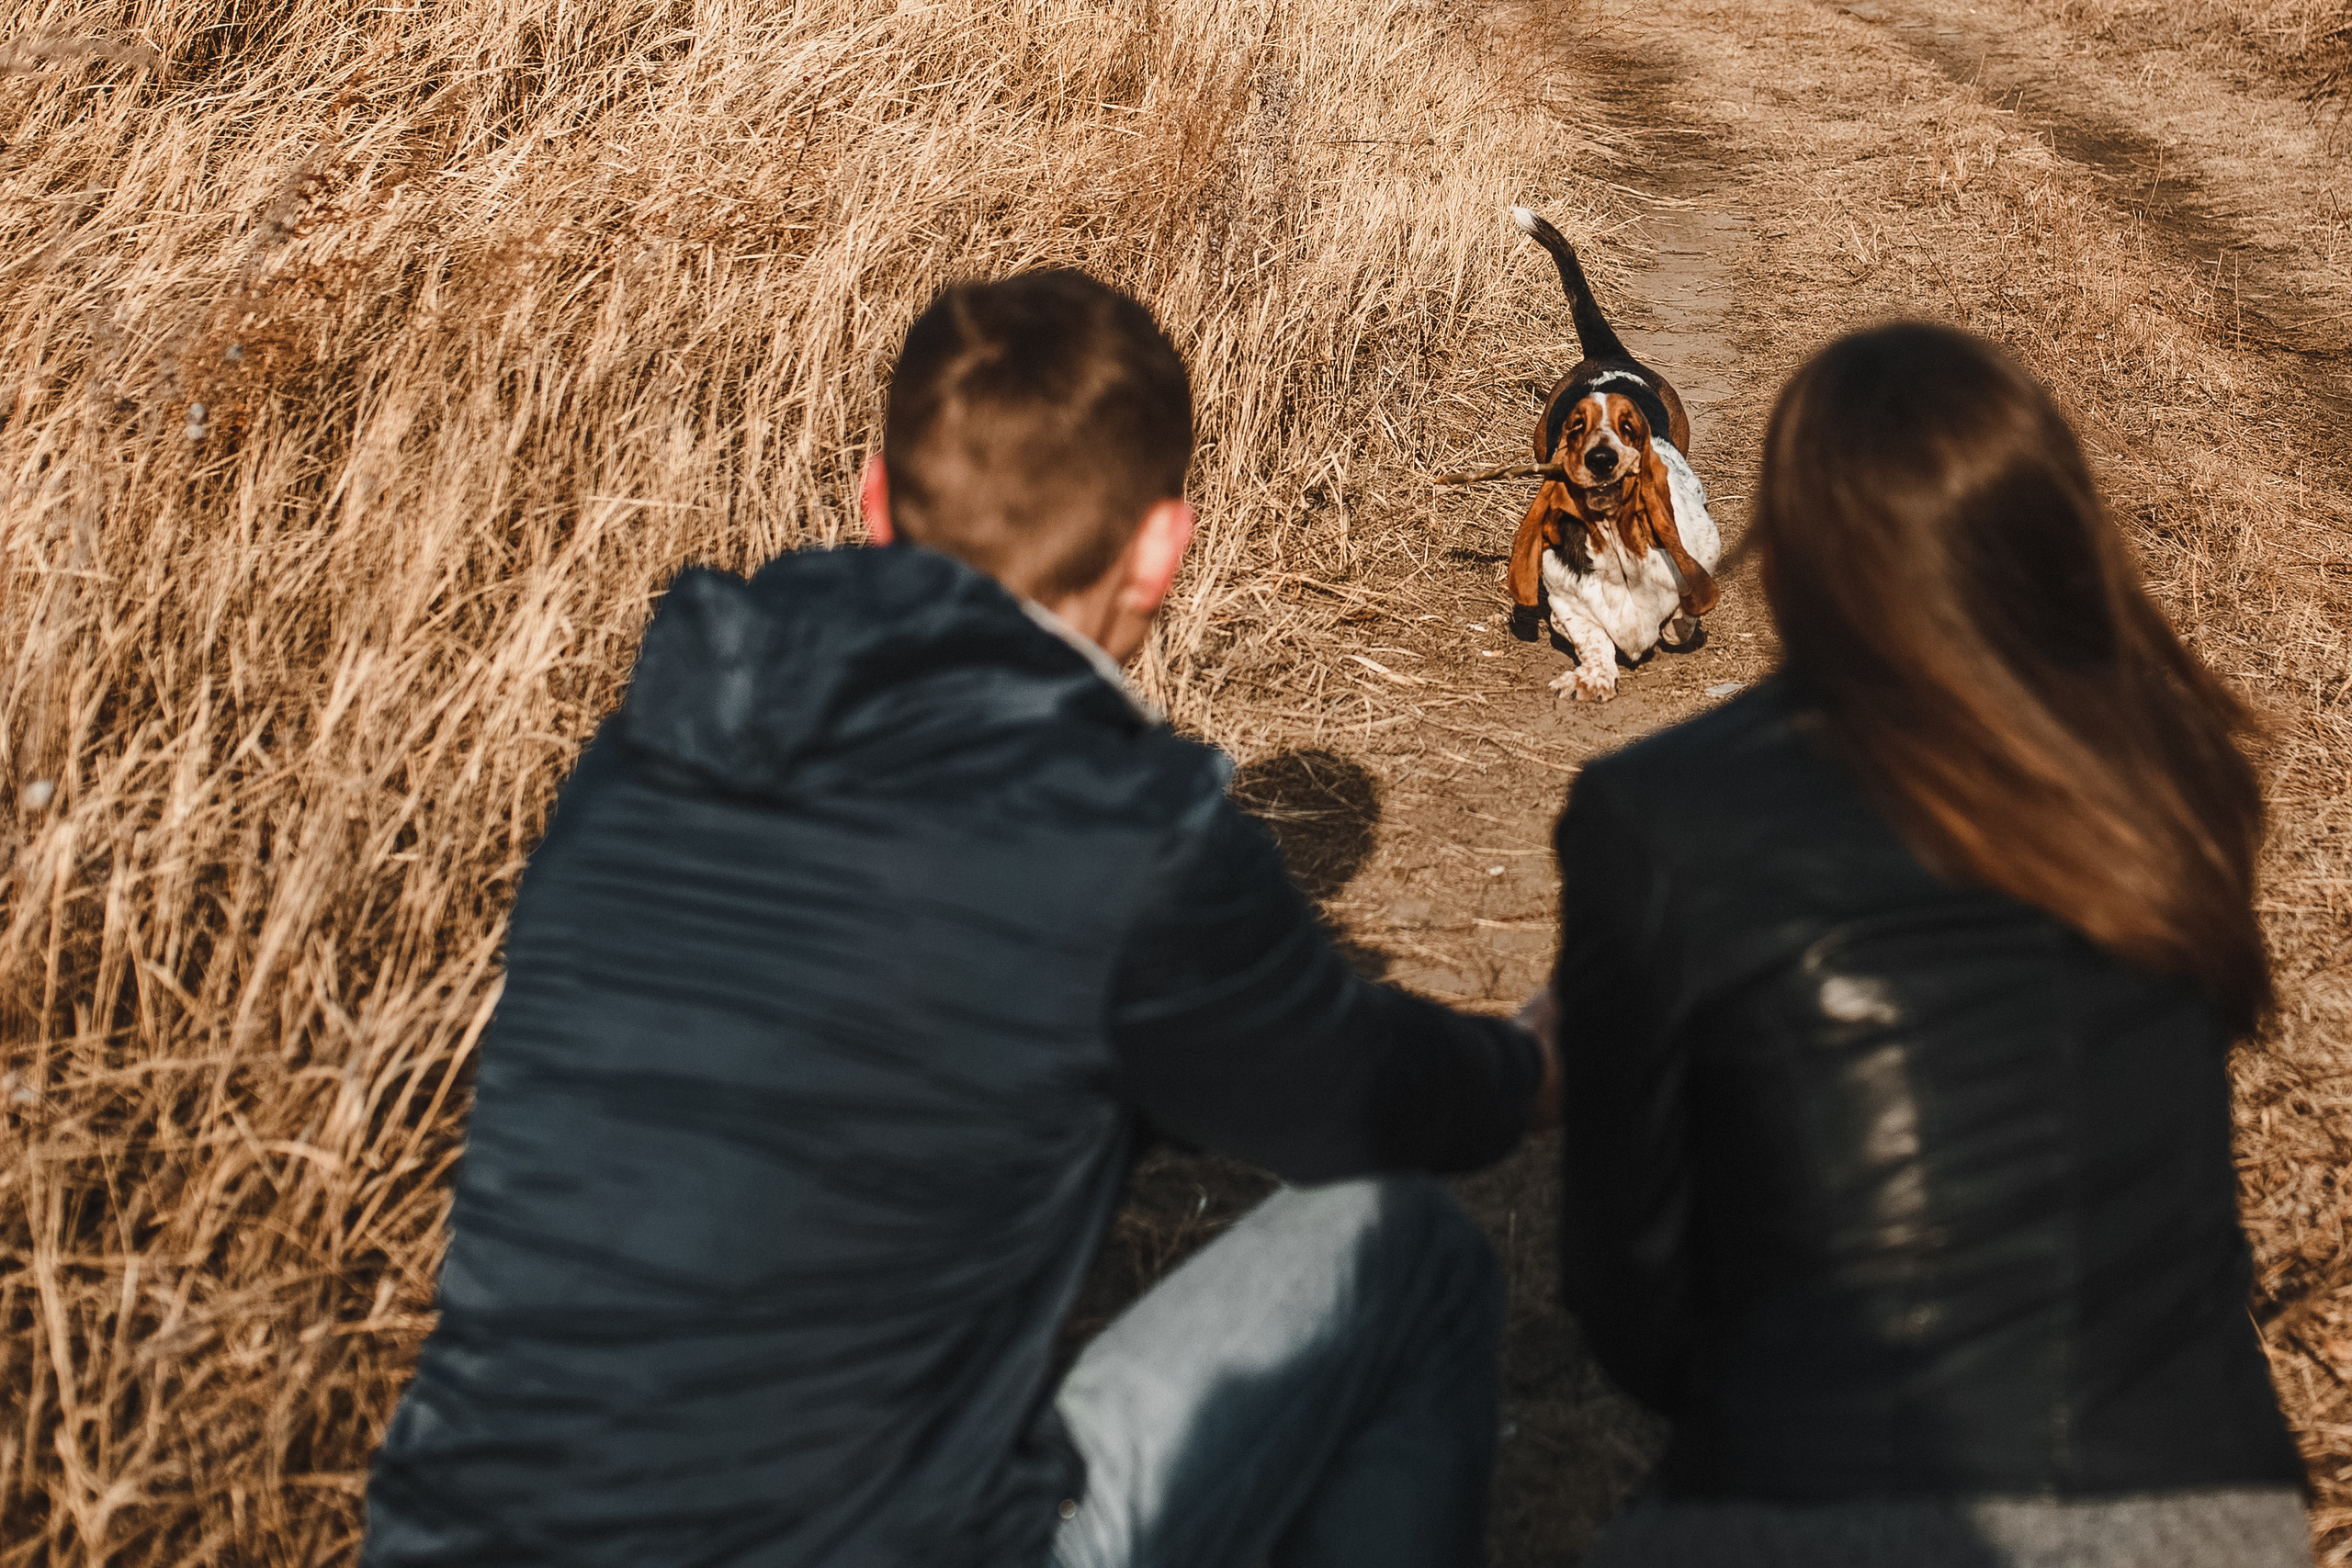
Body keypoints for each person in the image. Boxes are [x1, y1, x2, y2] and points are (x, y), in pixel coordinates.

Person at [360, 268, 1557, 1568]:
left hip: (448, 1536)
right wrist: (1537, 1059)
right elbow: (1367, 1100)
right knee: (1409, 1254)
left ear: (876, 502)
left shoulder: (652, 744)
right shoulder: (1126, 827)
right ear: (1164, 544)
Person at [1547, 322, 2310, 1567]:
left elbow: (1627, 1296)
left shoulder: (1657, 813)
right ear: (2058, 534)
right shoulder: (2181, 778)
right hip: (2207, 1515)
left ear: (1789, 556)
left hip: (1823, 1510)